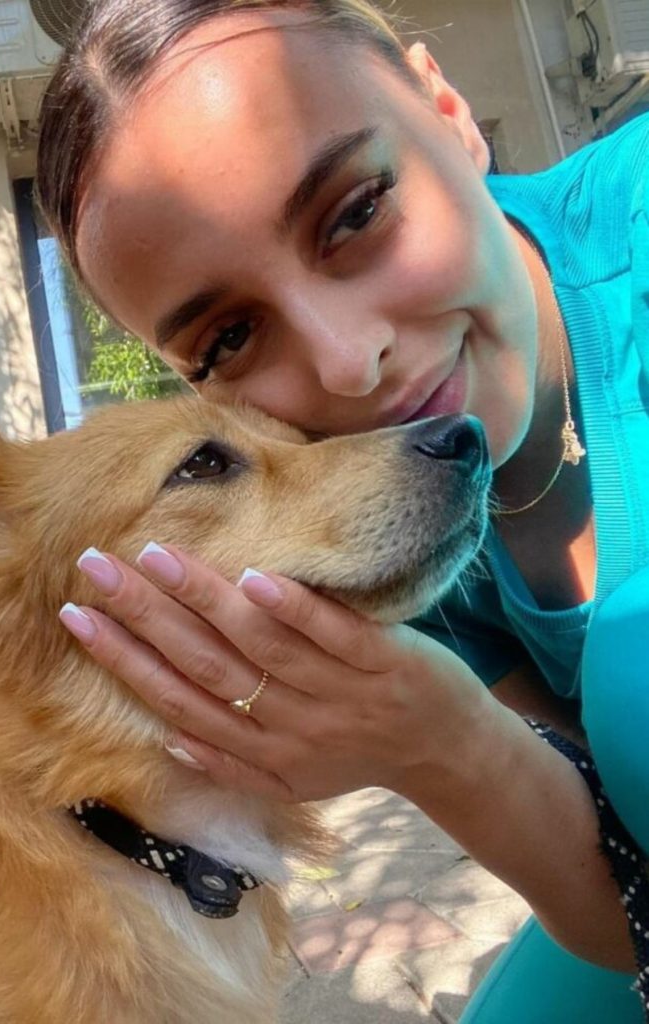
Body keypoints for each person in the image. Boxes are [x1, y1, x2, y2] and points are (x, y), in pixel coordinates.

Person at [36, 2, 649, 1020]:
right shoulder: (377, 504)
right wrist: (445, 744)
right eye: (230, 340)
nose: (346, 360)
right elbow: (626, 894)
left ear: (449, 109)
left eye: (358, 211)